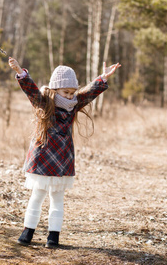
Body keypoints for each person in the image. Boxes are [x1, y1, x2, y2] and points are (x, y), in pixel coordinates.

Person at [8, 57, 121, 248]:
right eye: (66, 92)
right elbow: (30, 90)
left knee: (57, 198)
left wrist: (103, 77)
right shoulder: (44, 103)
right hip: (43, 158)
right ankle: (27, 232)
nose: (70, 96)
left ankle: (54, 236)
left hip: (62, 159)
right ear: (55, 89)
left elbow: (89, 93)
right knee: (37, 195)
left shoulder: (74, 104)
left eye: (72, 92)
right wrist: (20, 71)